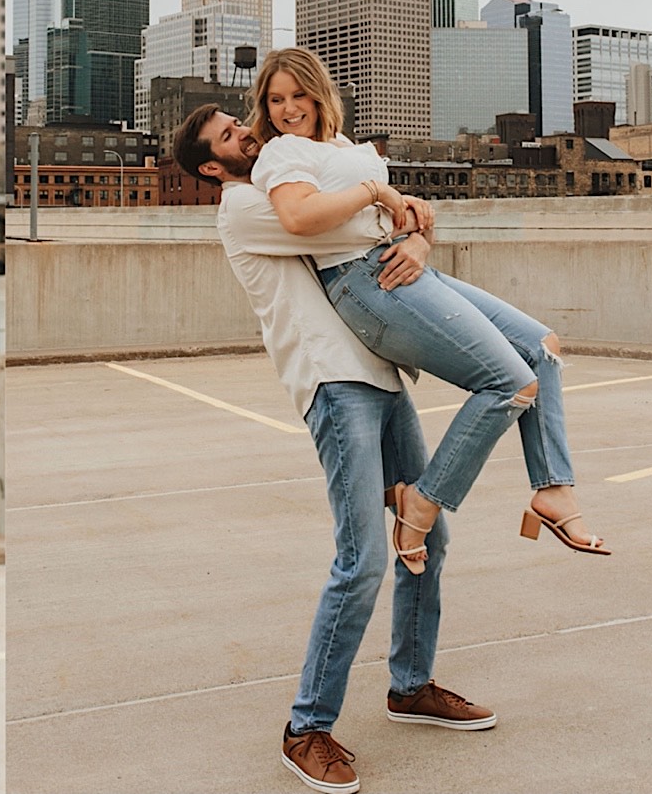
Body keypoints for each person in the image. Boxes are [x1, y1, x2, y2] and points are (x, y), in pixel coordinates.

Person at [173, 103, 495, 794]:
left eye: (239, 121)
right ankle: (307, 727)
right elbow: (344, 226)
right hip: (333, 382)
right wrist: (393, 203)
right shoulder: (242, 206)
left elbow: (368, 229)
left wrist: (415, 237)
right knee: (363, 556)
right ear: (210, 165)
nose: (246, 132)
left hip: (380, 375)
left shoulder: (284, 177)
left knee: (426, 537)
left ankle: (410, 685)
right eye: (228, 136)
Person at [247, 48, 607, 575]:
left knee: (541, 348)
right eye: (276, 99)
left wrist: (418, 235)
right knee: (510, 383)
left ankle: (554, 489)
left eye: (298, 94)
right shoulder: (284, 153)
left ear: (320, 93)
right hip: (365, 282)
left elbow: (397, 216)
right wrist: (376, 190)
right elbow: (299, 218)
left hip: (401, 265)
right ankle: (423, 503)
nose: (288, 108)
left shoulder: (340, 146)